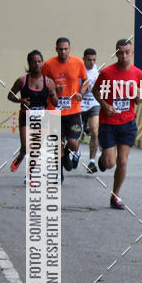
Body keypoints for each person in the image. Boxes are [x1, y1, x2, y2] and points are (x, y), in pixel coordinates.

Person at [91, 38, 142, 210]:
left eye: (127, 52)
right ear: (116, 53)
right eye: (120, 52)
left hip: (128, 122)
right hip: (108, 122)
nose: (123, 56)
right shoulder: (107, 73)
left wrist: (138, 95)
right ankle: (103, 159)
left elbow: (140, 99)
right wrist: (105, 105)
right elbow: (95, 90)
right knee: (110, 163)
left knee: (122, 161)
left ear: (132, 53)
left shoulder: (138, 74)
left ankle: (115, 195)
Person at [42, 37, 88, 178]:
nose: (63, 52)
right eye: (60, 49)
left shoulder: (78, 62)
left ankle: (69, 152)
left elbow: (86, 81)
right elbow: (43, 84)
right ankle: (59, 173)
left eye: (65, 49)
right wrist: (54, 90)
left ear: (70, 49)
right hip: (54, 110)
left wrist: (81, 92)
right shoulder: (48, 64)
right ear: (56, 49)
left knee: (73, 143)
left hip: (73, 110)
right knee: (57, 144)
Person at [8, 51, 58, 172]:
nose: (37, 64)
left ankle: (30, 174)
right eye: (34, 62)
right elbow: (10, 96)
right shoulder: (22, 80)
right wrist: (21, 100)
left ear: (42, 63)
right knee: (25, 147)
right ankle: (21, 155)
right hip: (26, 116)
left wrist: (53, 94)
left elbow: (56, 103)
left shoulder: (49, 82)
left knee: (35, 147)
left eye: (39, 61)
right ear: (29, 63)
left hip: (43, 117)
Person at [80, 47, 100, 173]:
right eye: (89, 60)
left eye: (93, 60)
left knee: (94, 130)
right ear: (84, 59)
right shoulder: (78, 69)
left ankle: (92, 162)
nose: (91, 63)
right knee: (77, 132)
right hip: (80, 104)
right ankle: (75, 152)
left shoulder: (98, 72)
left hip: (93, 103)